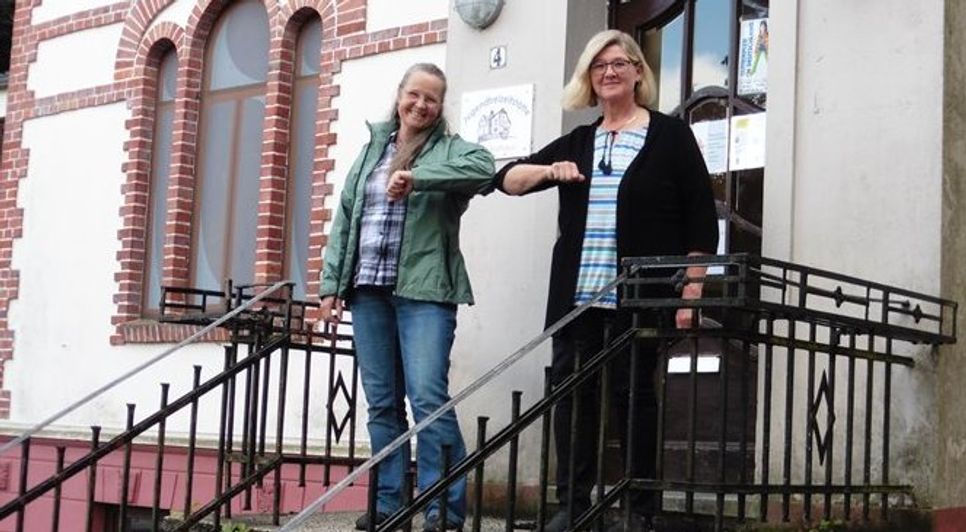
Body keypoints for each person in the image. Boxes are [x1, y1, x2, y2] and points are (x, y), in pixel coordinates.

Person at [495, 30, 718, 532]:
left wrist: (691, 291)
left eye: (620, 63)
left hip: (638, 298)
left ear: (639, 71)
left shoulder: (670, 135)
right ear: (588, 80)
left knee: (634, 396)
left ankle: (640, 508)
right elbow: (506, 178)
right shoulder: (579, 140)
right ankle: (573, 506)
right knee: (573, 402)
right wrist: (549, 171)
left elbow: (701, 221)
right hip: (577, 301)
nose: (610, 72)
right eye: (599, 66)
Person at [319, 63, 495, 532]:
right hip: (368, 292)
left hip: (426, 294)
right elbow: (346, 220)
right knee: (381, 404)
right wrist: (331, 287)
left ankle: (442, 509)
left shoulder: (451, 150)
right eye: (414, 94)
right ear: (399, 95)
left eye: (432, 99)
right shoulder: (371, 150)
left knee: (428, 398)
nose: (421, 105)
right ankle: (390, 504)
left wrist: (418, 177)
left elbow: (484, 168)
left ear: (441, 107)